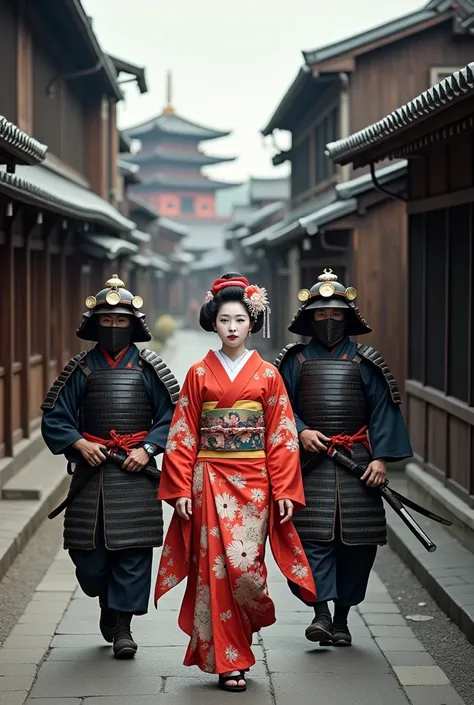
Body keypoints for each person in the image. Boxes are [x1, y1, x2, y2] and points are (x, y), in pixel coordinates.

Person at [154, 272, 316, 693]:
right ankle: (231, 661)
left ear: (251, 323)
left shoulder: (268, 375)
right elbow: (183, 432)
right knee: (213, 572)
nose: (231, 327)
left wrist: (284, 490)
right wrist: (178, 489)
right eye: (224, 319)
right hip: (208, 479)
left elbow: (281, 436)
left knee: (246, 569)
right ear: (213, 322)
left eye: (239, 320)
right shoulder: (196, 374)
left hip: (255, 484)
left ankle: (240, 639)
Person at [41, 275, 179, 659]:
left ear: (133, 325)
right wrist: (79, 443)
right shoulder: (81, 368)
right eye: (107, 321)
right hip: (92, 472)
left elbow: (173, 415)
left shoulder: (149, 367)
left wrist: (150, 448)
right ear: (95, 324)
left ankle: (122, 627)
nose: (115, 328)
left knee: (133, 552)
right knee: (89, 557)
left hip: (136, 474)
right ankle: (106, 599)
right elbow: (55, 417)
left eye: (121, 321)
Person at [276, 268, 412, 647]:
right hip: (309, 464)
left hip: (358, 463)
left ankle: (342, 619)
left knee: (357, 546)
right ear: (309, 318)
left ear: (348, 317)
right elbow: (277, 406)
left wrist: (380, 459)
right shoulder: (294, 360)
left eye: (336, 314)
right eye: (321, 314)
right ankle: (320, 612)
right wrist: (301, 430)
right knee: (309, 540)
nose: (329, 321)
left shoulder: (366, 362)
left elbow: (384, 411)